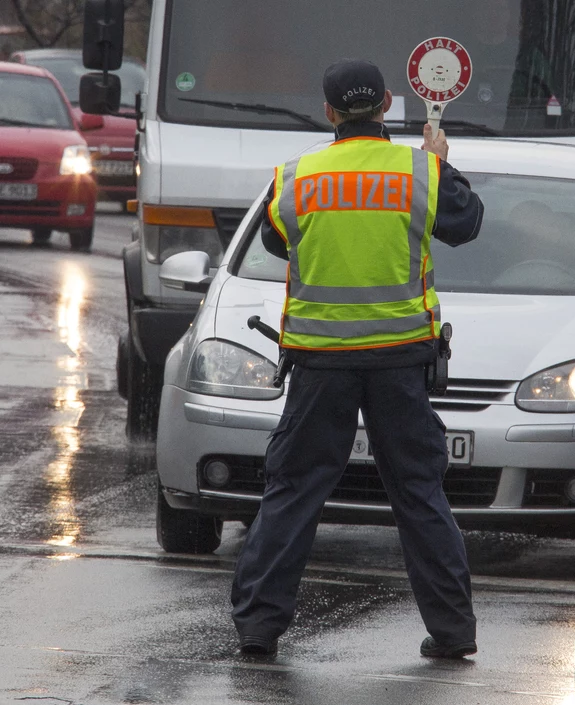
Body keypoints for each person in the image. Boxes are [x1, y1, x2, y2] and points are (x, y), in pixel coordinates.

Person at [230, 59, 484, 660]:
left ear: (330, 111)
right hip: (401, 360)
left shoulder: (297, 177)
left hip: (321, 365)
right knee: (419, 492)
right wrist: (440, 160)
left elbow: (274, 240)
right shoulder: (420, 171)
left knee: (293, 490)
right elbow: (467, 224)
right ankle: (452, 632)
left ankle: (259, 629)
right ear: (388, 104)